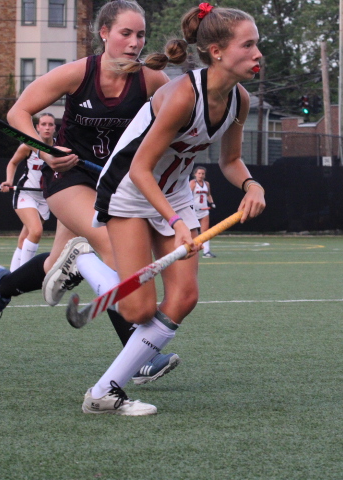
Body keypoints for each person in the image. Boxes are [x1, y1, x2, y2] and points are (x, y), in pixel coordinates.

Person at [0, 0, 180, 385]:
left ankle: (2, 285)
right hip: (67, 179)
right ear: (104, 33)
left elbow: (173, 123)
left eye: (140, 35)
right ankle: (139, 353)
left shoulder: (152, 80)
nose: (135, 43)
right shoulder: (77, 73)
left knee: (55, 266)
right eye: (125, 33)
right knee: (113, 247)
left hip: (112, 183)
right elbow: (19, 113)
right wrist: (46, 151)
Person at [80, 2, 265, 415]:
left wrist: (251, 184)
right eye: (248, 45)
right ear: (216, 51)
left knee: (184, 296)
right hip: (129, 188)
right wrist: (179, 223)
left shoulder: (240, 100)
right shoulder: (182, 95)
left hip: (174, 190)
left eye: (258, 45)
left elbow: (230, 161)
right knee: (138, 309)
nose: (258, 54)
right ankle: (84, 261)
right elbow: (142, 169)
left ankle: (103, 393)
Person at [2, 113, 55, 271]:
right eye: (43, 124)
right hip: (26, 194)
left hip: (45, 198)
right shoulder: (29, 146)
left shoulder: (59, 147)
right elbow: (13, 163)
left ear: (54, 128)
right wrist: (9, 181)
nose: (46, 127)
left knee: (25, 238)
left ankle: (11, 276)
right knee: (36, 231)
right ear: (37, 127)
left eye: (50, 124)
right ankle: (24, 275)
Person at [190, 166, 217, 258]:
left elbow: (208, 195)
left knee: (205, 232)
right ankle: (190, 250)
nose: (201, 175)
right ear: (195, 174)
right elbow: (188, 196)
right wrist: (190, 207)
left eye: (203, 174)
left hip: (204, 210)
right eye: (199, 173)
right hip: (194, 211)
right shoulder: (193, 183)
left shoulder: (206, 184)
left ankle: (206, 251)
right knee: (191, 231)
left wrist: (212, 203)